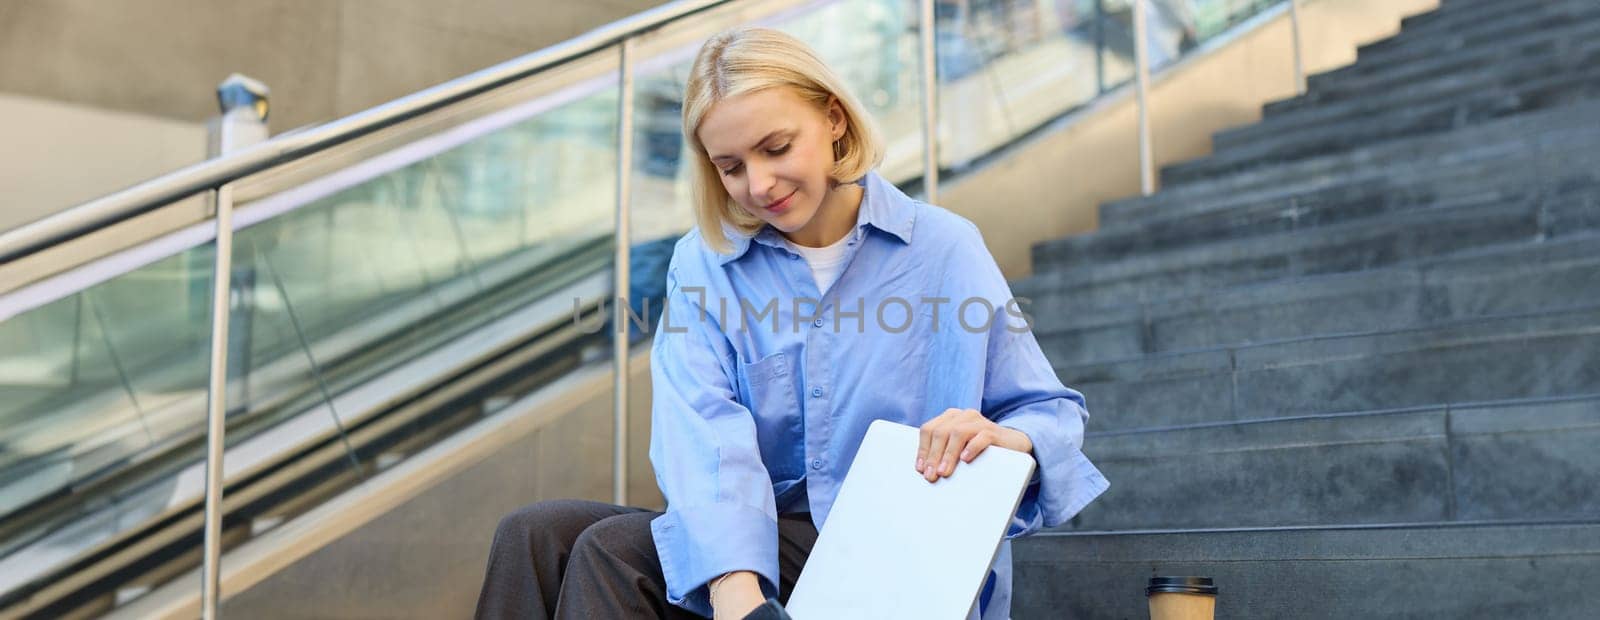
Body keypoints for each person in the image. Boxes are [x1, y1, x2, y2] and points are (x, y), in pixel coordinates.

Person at [475, 25, 1108, 620]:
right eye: (731, 167)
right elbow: (702, 435)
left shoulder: (943, 249)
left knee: (613, 550)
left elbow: (1051, 411)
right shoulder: (704, 264)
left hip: (899, 551)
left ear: (833, 118)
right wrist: (737, 591)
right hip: (762, 542)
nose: (759, 184)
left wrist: (1004, 437)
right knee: (533, 535)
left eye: (776, 148)